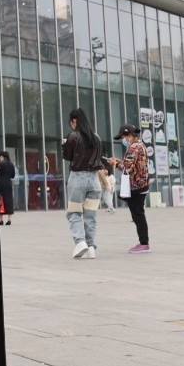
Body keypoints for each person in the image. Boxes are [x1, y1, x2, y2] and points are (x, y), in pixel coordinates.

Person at [62, 109, 107, 258]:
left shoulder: (73, 136)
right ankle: (91, 247)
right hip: (94, 181)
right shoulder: (97, 137)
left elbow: (67, 156)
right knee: (90, 215)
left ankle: (80, 242)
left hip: (78, 178)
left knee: (74, 212)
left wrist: (65, 144)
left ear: (74, 121)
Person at [110, 124, 150, 253]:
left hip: (136, 186)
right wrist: (120, 162)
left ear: (129, 135)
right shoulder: (141, 145)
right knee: (139, 214)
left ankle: (144, 243)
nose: (124, 140)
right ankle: (143, 243)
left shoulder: (133, 148)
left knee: (138, 215)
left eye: (123, 137)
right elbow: (133, 164)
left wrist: (115, 164)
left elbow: (128, 169)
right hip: (143, 184)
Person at [0, 152, 16, 224]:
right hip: (9, 183)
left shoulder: (0, 164)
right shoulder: (11, 164)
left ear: (2, 156)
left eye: (0, 157)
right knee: (9, 200)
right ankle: (9, 219)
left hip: (1, 183)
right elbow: (13, 175)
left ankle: (1, 220)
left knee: (1, 200)